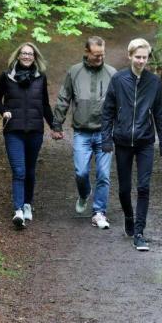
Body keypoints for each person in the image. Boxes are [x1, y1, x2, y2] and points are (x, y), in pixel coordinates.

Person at [101, 38, 162, 251]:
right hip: (122, 141)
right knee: (123, 189)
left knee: (143, 187)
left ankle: (139, 232)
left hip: (145, 141)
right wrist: (106, 139)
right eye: (137, 57)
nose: (141, 61)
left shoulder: (154, 82)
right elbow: (108, 111)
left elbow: (160, 113)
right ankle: (129, 216)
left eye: (144, 57)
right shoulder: (119, 80)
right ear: (130, 56)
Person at [51, 36, 118, 229]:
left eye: (102, 54)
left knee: (104, 174)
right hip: (82, 132)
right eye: (96, 54)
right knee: (81, 172)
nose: (99, 58)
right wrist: (57, 125)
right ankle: (84, 193)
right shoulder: (74, 72)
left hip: (105, 132)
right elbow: (64, 98)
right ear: (87, 52)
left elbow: (121, 103)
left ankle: (99, 212)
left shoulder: (112, 73)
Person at [0, 42, 54, 230]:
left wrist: (54, 126)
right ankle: (18, 210)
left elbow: (44, 104)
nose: (27, 56)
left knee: (30, 170)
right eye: (24, 53)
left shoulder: (40, 78)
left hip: (35, 130)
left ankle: (28, 204)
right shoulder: (6, 76)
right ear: (18, 56)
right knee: (19, 171)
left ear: (35, 57)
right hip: (14, 131)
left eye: (30, 54)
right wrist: (3, 111)